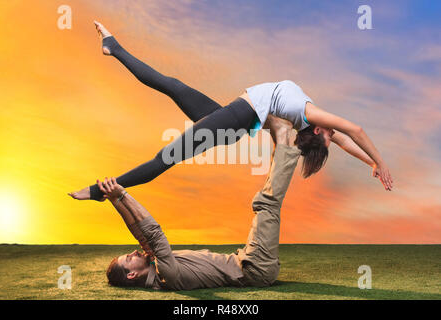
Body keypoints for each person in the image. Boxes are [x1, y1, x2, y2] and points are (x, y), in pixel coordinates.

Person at [68, 21, 392, 202]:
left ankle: (100, 191)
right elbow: (347, 140)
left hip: (235, 120)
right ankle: (113, 47)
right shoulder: (309, 117)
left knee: (165, 157)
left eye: (329, 135)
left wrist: (380, 161)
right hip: (232, 118)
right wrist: (372, 163)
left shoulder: (311, 118)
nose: (334, 134)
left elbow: (355, 130)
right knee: (173, 85)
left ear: (319, 131)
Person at [101, 117, 300, 289]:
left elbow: (141, 233)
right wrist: (123, 194)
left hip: (246, 259)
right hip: (256, 269)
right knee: (266, 203)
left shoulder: (156, 265)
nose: (134, 252)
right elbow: (153, 233)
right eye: (129, 258)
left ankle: (283, 145)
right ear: (131, 275)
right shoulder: (167, 275)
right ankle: (284, 138)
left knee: (265, 203)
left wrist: (115, 200)